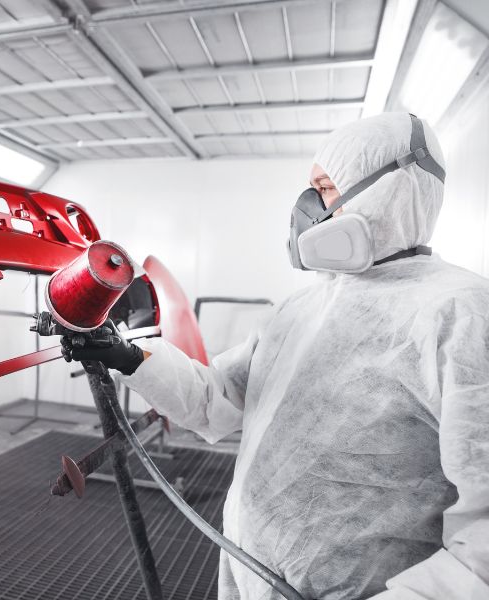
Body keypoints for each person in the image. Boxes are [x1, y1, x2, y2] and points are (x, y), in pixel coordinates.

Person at [61, 113, 489, 599]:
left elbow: (481, 549)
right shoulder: (300, 308)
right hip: (248, 572)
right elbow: (216, 399)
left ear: (390, 192)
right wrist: (126, 355)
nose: (308, 209)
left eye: (324, 189)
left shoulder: (462, 314)